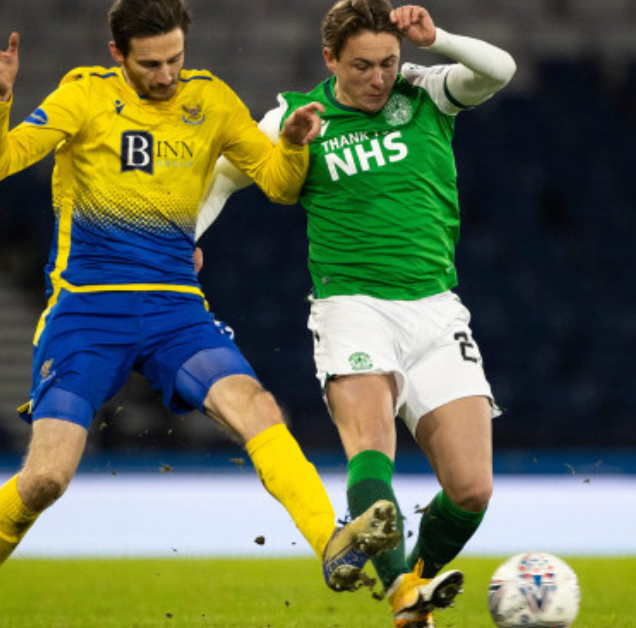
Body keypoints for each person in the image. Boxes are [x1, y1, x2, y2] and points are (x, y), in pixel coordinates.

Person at [0, 1, 402, 625]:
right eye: (151, 64)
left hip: (174, 310)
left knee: (257, 408)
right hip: (86, 314)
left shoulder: (211, 101)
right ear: (118, 54)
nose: (166, 75)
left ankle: (331, 543)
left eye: (175, 60)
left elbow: (279, 185)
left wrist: (294, 146)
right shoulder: (82, 96)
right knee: (45, 480)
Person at [197, 1, 516, 626]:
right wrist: (177, 249)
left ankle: (415, 583)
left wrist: (439, 39)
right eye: (363, 66)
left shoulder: (424, 91)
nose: (379, 78)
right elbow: (219, 179)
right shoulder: (296, 117)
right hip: (353, 307)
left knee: (472, 490)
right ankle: (403, 597)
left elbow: (499, 70)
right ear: (330, 60)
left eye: (388, 63)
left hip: (436, 309)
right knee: (374, 445)